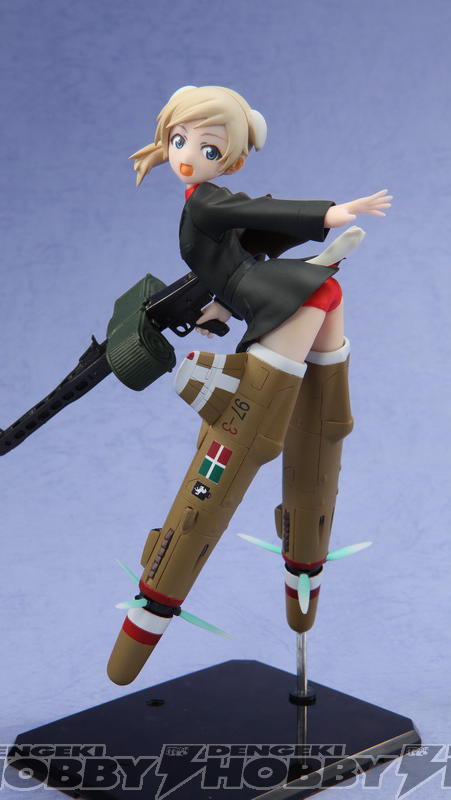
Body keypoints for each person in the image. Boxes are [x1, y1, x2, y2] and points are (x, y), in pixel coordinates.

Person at [107, 86, 392, 685]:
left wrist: (326, 214)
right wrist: (219, 306)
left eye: (206, 147)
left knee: (246, 436)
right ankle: (303, 572)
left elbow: (258, 220)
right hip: (277, 294)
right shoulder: (204, 200)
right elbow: (237, 250)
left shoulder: (206, 202)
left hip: (279, 297)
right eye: (178, 141)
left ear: (230, 158)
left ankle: (153, 612)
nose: (187, 155)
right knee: (321, 425)